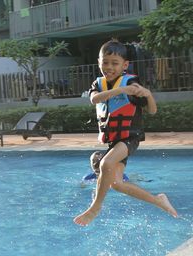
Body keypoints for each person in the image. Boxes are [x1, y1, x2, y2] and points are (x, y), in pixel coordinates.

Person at [73, 39, 177, 226]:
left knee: (106, 163)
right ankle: (159, 201)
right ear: (99, 62)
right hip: (114, 141)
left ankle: (95, 207)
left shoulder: (132, 83)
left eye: (115, 63)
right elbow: (94, 100)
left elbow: (152, 111)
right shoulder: (98, 84)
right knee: (116, 184)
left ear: (125, 65)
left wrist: (148, 94)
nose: (109, 67)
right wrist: (122, 90)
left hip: (130, 137)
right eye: (105, 62)